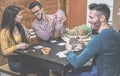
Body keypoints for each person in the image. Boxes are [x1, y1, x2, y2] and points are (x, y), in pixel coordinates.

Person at [65, 3, 120, 76]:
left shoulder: (99, 39)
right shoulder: (115, 34)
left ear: (102, 18)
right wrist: (84, 42)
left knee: (68, 73)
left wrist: (69, 51)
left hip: (99, 73)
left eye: (91, 17)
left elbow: (76, 62)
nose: (88, 20)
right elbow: (104, 47)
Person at [0, 5, 49, 76]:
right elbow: (4, 52)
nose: (22, 17)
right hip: (15, 62)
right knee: (41, 68)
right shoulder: (3, 32)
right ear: (12, 17)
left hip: (25, 57)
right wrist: (17, 47)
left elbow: (26, 44)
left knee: (45, 65)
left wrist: (27, 37)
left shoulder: (20, 26)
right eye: (19, 15)